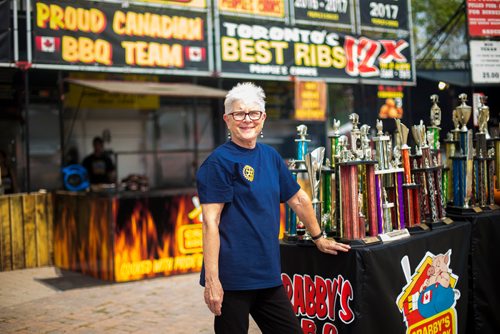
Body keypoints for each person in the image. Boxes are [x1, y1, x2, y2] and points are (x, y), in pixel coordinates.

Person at [196, 82, 350, 333]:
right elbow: (210, 222)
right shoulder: (218, 163)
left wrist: (319, 237)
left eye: (253, 113)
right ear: (227, 119)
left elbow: (298, 198)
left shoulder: (270, 157)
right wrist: (213, 281)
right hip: (232, 279)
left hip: (266, 274)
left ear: (263, 118)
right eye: (239, 113)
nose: (247, 120)